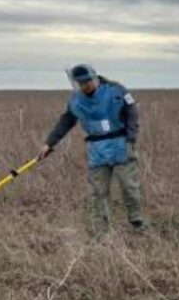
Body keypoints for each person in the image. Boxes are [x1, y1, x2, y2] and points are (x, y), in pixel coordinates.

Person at [38, 64, 144, 237]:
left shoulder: (116, 90)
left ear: (95, 78)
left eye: (87, 81)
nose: (85, 85)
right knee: (97, 193)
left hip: (121, 145)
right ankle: (101, 233)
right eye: (80, 83)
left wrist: (131, 137)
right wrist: (49, 143)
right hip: (96, 150)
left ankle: (137, 222)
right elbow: (65, 122)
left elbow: (132, 111)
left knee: (128, 186)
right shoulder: (76, 101)